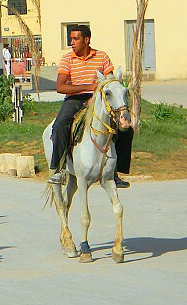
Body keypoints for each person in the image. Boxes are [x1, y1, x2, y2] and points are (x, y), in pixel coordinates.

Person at [48, 25, 133, 188]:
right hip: (74, 99)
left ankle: (115, 172)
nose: (72, 42)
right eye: (71, 39)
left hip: (99, 99)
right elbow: (60, 87)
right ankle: (57, 169)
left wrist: (100, 93)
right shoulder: (67, 59)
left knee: (125, 129)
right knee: (60, 125)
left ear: (86, 40)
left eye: (75, 39)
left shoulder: (102, 57)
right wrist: (87, 87)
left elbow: (109, 80)